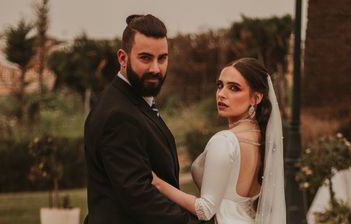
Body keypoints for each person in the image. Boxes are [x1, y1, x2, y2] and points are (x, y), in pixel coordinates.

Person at [84, 14, 201, 224]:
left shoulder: (135, 102)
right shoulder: (118, 115)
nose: (155, 68)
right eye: (145, 58)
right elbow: (140, 197)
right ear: (123, 58)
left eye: (162, 58)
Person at [151, 57, 286, 224]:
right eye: (220, 85)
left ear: (256, 98)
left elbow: (205, 209)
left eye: (234, 88)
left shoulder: (225, 141)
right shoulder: (264, 139)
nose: (221, 94)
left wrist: (158, 183)